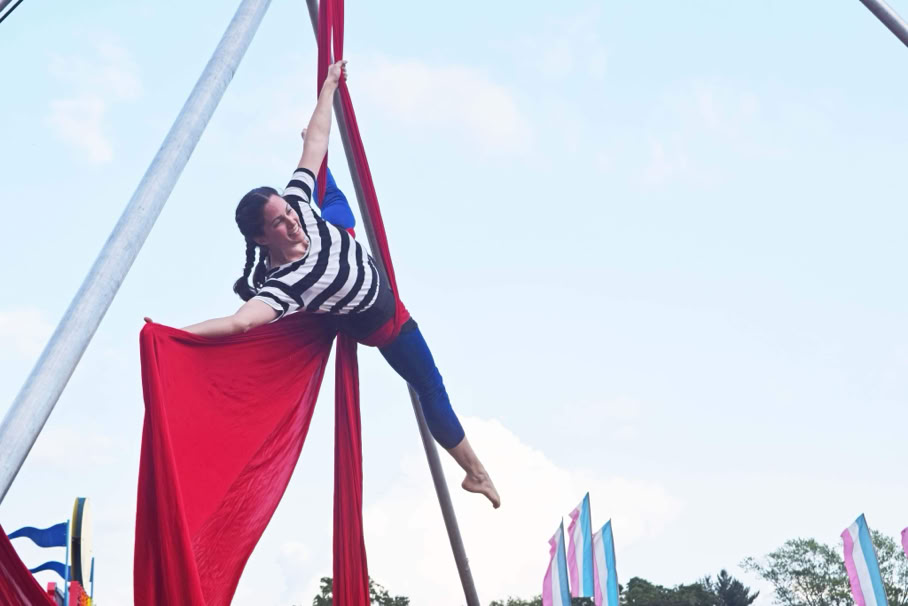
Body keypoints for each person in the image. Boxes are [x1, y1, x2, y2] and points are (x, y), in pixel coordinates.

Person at [148, 60, 500, 508]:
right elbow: (240, 323)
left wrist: (329, 86)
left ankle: (334, 214)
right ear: (262, 238)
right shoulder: (288, 285)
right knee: (431, 386)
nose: (292, 221)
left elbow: (316, 143)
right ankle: (476, 473)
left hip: (342, 240)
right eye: (280, 222)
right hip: (385, 320)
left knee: (333, 203)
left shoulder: (296, 203)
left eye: (288, 212)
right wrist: (173, 334)